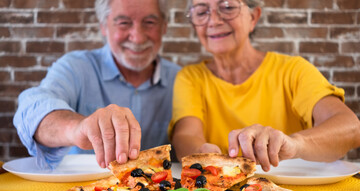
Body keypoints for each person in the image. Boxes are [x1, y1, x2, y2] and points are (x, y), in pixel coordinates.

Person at [169, 0, 360, 172]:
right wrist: (199, 152)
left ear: (253, 17)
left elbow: (351, 127)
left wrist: (294, 144)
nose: (213, 21)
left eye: (227, 7)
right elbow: (186, 134)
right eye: (202, 12)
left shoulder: (293, 70)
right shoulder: (191, 77)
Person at [13, 0, 180, 170]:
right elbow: (31, 109)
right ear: (103, 26)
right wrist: (78, 127)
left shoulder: (181, 80)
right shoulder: (76, 67)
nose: (137, 37)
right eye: (123, 23)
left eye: (150, 23)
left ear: (164, 27)